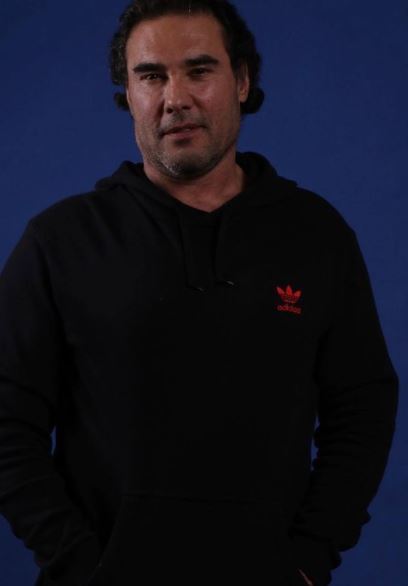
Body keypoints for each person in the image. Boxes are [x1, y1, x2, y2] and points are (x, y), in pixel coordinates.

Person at [0, 1, 399, 585]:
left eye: (199, 70)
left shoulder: (316, 235)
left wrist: (312, 555)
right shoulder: (60, 241)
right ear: (129, 93)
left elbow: (363, 403)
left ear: (241, 81)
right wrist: (77, 564)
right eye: (151, 76)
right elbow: (7, 419)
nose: (175, 98)